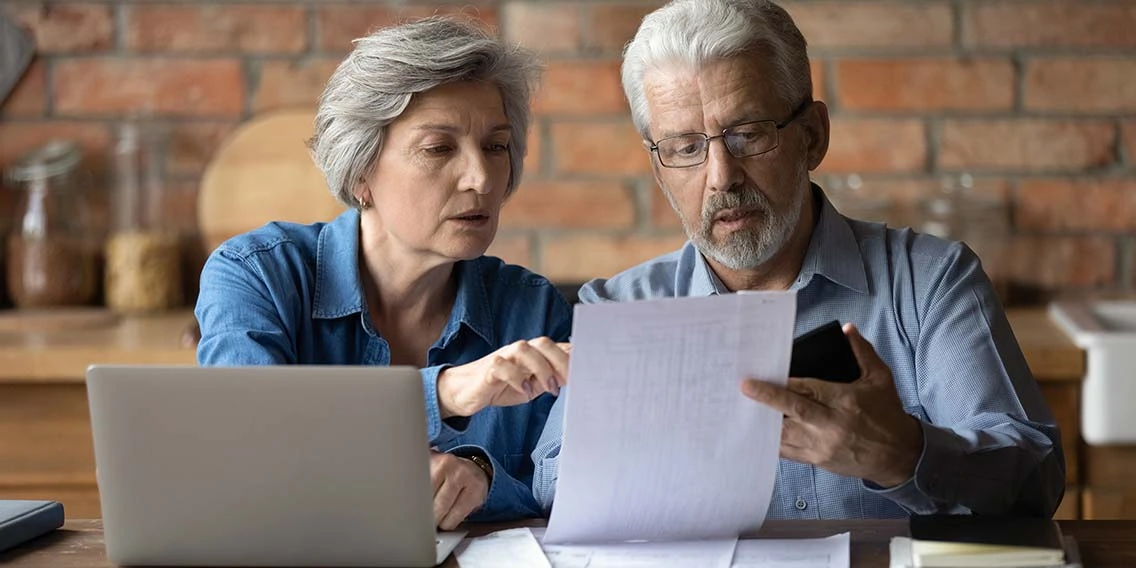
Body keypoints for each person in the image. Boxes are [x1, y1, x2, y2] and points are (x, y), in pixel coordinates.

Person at [532, 0, 1064, 519]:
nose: (722, 176)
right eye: (686, 147)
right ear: (659, 168)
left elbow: (1038, 481)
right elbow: (552, 483)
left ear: (812, 137)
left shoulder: (930, 283)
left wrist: (904, 455)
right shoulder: (621, 310)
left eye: (747, 134)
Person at [195, 17, 571, 530]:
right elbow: (247, 438)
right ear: (360, 171)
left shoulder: (533, 309)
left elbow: (561, 490)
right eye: (439, 148)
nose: (481, 177)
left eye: (495, 146)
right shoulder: (256, 274)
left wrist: (482, 477)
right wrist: (443, 392)